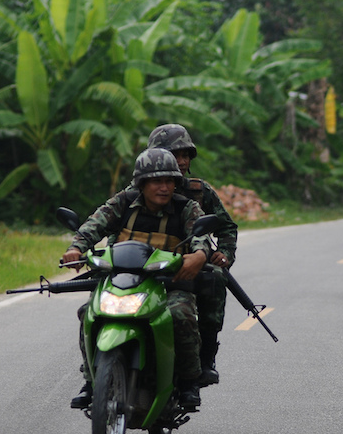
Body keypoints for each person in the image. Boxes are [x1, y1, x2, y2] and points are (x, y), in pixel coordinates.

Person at [61, 148, 211, 408]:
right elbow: (94, 224)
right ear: (142, 183)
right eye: (156, 181)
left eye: (169, 181)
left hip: (168, 284)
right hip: (121, 280)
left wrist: (199, 254)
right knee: (89, 313)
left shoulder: (187, 208)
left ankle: (188, 382)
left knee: (181, 315)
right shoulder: (124, 202)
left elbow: (200, 237)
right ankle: (90, 379)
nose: (164, 188)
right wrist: (76, 247)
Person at [147, 124, 238, 388]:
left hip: (189, 264)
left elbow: (226, 226)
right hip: (143, 265)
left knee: (216, 278)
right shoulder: (137, 190)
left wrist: (224, 252)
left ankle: (205, 357)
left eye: (187, 155)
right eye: (176, 154)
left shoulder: (198, 192)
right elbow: (114, 225)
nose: (183, 161)